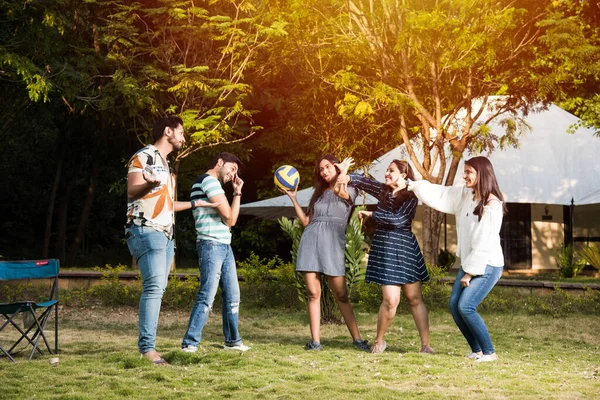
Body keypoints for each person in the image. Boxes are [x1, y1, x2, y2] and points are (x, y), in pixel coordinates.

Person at [126, 116, 218, 365]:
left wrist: (196, 203)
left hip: (165, 234)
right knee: (154, 287)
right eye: (181, 133)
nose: (184, 138)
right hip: (146, 229)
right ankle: (147, 349)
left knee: (159, 288)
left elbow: (166, 204)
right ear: (168, 131)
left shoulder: (165, 165)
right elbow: (132, 190)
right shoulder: (144, 156)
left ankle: (148, 346)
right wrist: (148, 185)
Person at [407, 156, 506, 362]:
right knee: (454, 305)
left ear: (482, 174)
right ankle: (477, 350)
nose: (465, 176)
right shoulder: (466, 195)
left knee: (466, 306)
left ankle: (489, 352)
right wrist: (414, 185)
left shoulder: (493, 204)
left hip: (487, 264)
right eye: (465, 171)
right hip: (470, 260)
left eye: (469, 172)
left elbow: (485, 242)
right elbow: (442, 193)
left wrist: (470, 272)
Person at [337, 158, 433, 354]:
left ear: (404, 174)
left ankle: (426, 345)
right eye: (386, 171)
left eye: (391, 171)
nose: (386, 174)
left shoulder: (411, 197)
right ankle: (379, 341)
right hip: (385, 248)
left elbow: (398, 220)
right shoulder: (382, 191)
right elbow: (361, 181)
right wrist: (345, 173)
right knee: (390, 300)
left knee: (414, 298)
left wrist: (372, 215)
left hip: (405, 248)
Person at [280, 154, 369, 352]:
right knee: (313, 293)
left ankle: (357, 339)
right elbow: (306, 222)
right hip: (311, 241)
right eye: (321, 169)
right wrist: (293, 199)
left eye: (328, 167)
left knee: (341, 294)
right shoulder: (318, 193)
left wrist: (344, 173)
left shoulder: (350, 189)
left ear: (336, 168)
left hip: (332, 242)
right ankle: (316, 342)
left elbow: (341, 193)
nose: (324, 171)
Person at [181, 152, 251, 352]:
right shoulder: (209, 182)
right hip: (211, 244)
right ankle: (190, 343)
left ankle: (232, 341)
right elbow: (229, 219)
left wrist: (237, 193)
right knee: (207, 295)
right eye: (231, 169)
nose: (232, 175)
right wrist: (229, 214)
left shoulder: (214, 185)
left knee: (232, 294)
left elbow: (231, 221)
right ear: (220, 162)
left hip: (223, 244)